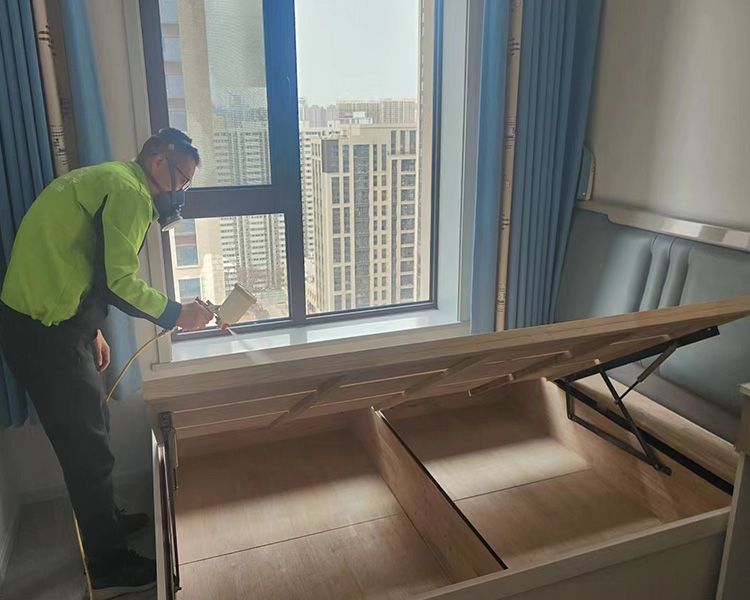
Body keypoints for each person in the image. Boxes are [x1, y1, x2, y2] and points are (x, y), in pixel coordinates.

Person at [0, 128, 214, 598]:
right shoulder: (131, 194)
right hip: (44, 333)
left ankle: (108, 521)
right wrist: (178, 313)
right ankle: (108, 566)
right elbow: (119, 282)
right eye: (181, 180)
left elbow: (78, 260)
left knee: (94, 426)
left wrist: (91, 329)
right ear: (159, 162)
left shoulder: (110, 178)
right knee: (87, 450)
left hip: (54, 319)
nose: (180, 193)